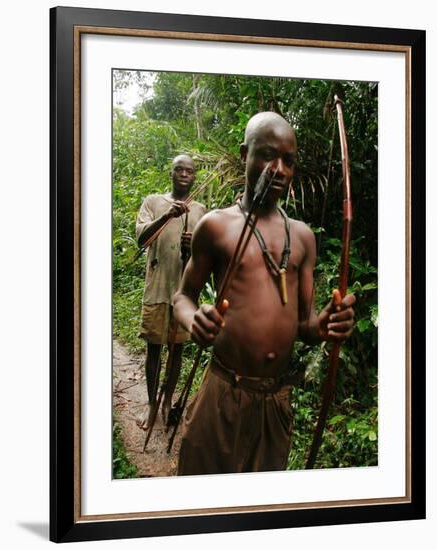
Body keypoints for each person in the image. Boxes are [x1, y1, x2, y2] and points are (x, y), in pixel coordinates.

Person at [173, 112, 355, 475]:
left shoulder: (302, 237)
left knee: (260, 511)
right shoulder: (217, 227)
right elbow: (183, 296)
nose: (280, 169)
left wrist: (326, 325)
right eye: (268, 156)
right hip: (224, 392)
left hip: (275, 401)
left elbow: (304, 324)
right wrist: (195, 319)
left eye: (289, 161)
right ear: (245, 154)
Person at [136, 154, 206, 430]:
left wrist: (193, 247)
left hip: (184, 293)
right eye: (179, 169)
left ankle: (167, 401)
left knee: (177, 349)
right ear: (171, 173)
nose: (184, 174)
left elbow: (204, 256)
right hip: (156, 288)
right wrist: (167, 215)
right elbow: (142, 239)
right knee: (154, 348)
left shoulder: (200, 210)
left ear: (195, 176)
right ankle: (152, 403)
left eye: (189, 171)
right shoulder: (153, 202)